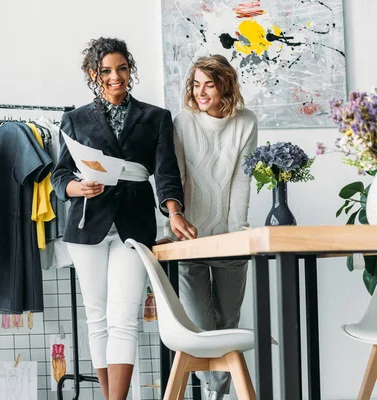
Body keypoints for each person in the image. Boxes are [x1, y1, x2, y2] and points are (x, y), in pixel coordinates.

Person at [51, 37, 197, 400]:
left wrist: (175, 213)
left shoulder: (155, 117)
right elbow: (59, 176)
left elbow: (166, 174)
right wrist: (76, 188)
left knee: (125, 317)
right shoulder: (74, 119)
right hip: (87, 225)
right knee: (96, 318)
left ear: (130, 69)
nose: (115, 77)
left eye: (122, 68)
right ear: (92, 74)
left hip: (135, 225)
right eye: (105, 71)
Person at [165, 54, 258, 400]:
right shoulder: (183, 122)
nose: (201, 92)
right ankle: (216, 394)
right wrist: (174, 223)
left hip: (230, 242)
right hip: (190, 241)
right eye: (196, 84)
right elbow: (176, 176)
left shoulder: (246, 122)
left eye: (209, 84)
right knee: (203, 329)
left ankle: (214, 394)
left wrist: (237, 233)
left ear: (225, 86)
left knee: (228, 325)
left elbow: (241, 181)